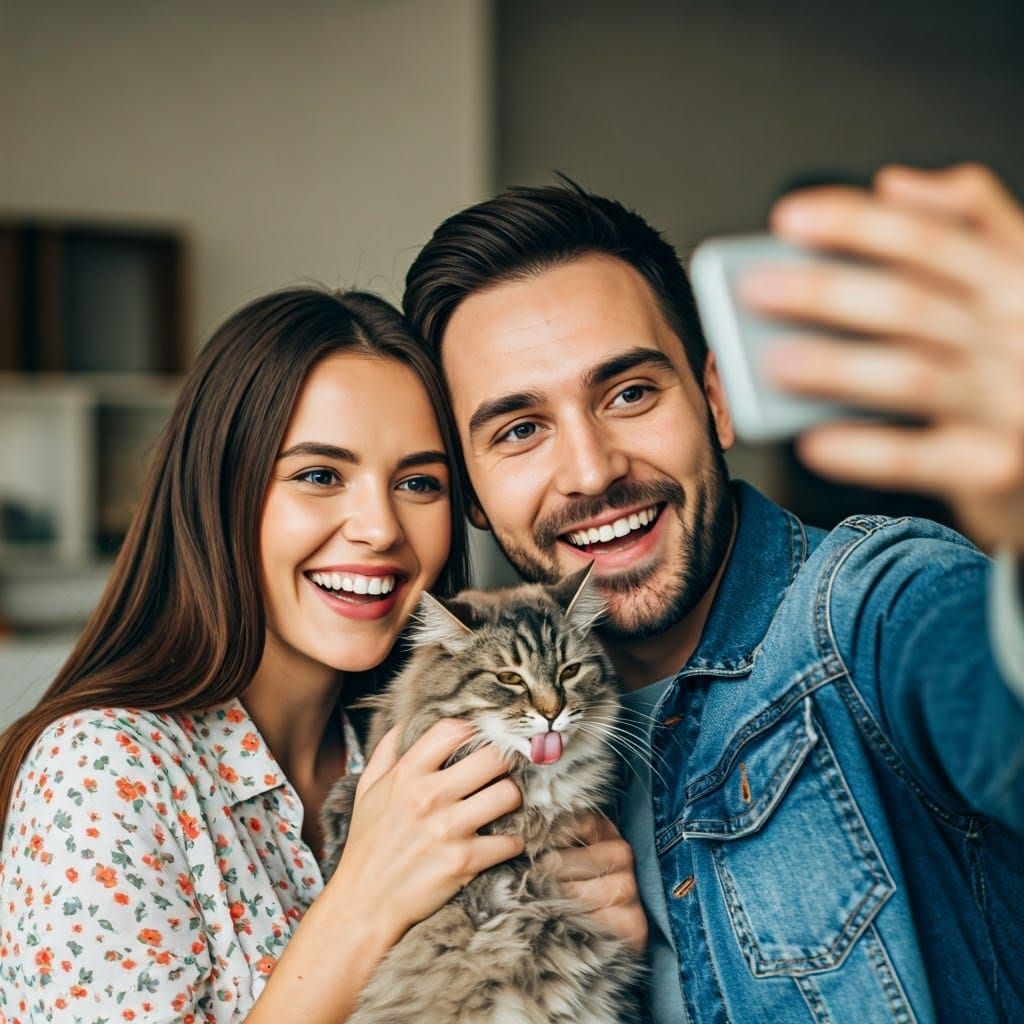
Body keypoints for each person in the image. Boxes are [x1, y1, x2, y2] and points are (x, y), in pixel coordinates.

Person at [401, 162, 1024, 1023]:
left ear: (716, 402)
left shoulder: (872, 609)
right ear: (472, 493)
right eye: (520, 429)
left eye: (629, 392)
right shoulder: (455, 754)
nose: (591, 469)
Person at [0, 288, 641, 1023]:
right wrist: (362, 901)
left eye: (417, 483)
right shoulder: (102, 768)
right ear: (220, 492)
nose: (377, 527)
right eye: (319, 475)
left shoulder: (413, 756)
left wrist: (588, 941)